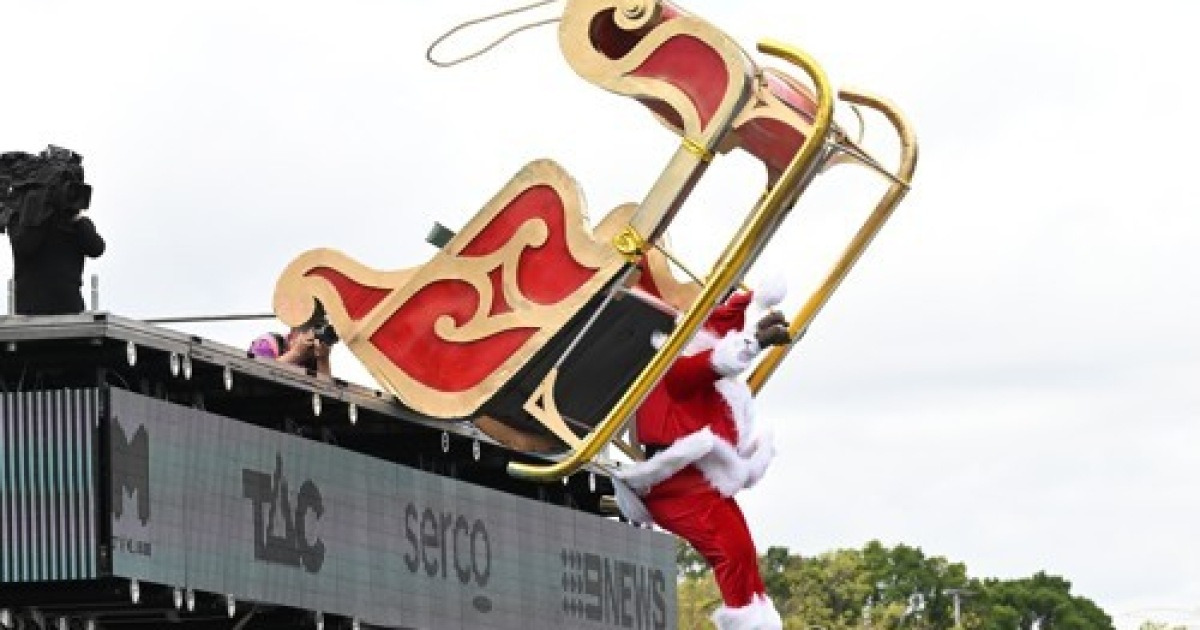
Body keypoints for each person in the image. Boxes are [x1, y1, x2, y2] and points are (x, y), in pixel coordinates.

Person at [613, 282, 791, 630]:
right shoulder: (671, 366)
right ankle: (747, 621)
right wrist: (754, 341)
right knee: (731, 551)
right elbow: (703, 367)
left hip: (700, 477)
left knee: (741, 553)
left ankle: (755, 619)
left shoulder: (716, 383)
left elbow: (714, 366)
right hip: (674, 481)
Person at [2, 146, 105, 315]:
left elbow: (97, 248)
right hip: (30, 316)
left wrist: (78, 219)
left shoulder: (75, 222)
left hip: (70, 313)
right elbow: (25, 247)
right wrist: (38, 212)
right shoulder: (21, 220)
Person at [249, 318, 334, 377]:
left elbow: (328, 395)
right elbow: (258, 373)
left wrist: (323, 359)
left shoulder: (314, 358)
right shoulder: (267, 344)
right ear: (294, 331)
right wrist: (296, 353)